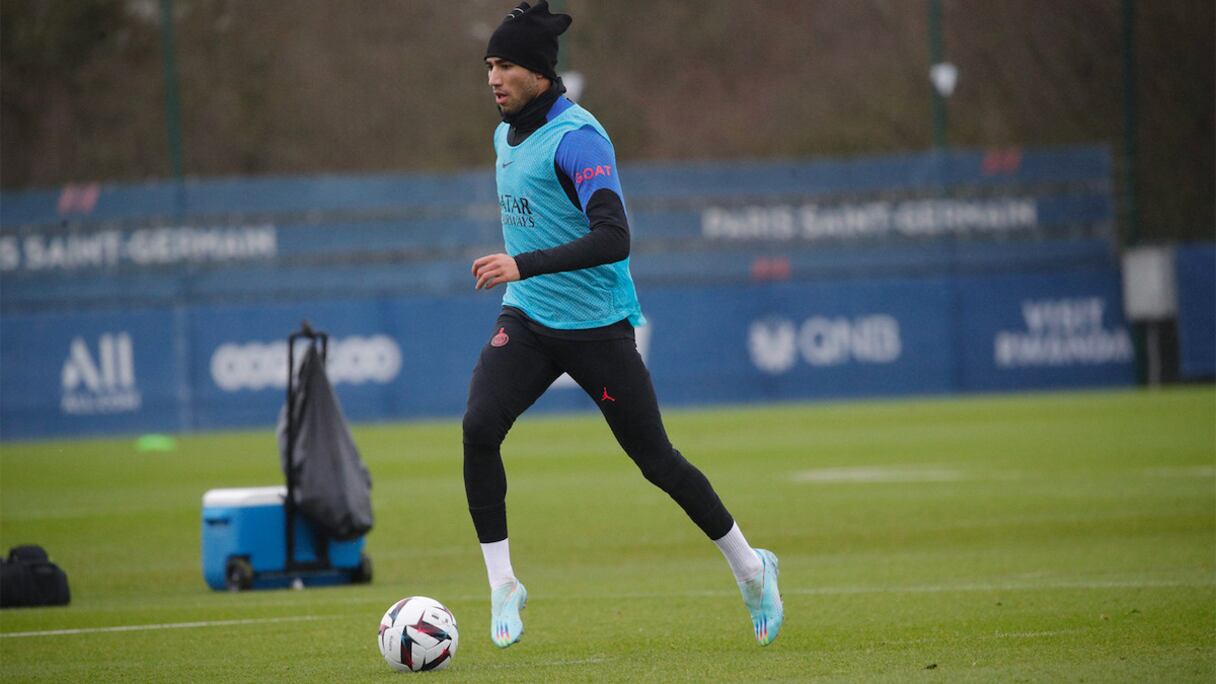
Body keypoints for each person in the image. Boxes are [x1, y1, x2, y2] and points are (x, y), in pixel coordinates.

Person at [464, 0, 783, 649]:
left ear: (539, 72)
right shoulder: (504, 136)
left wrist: (522, 264)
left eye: (506, 66)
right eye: (489, 65)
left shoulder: (578, 139)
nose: (494, 78)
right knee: (478, 428)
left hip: (597, 328)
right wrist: (525, 280)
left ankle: (751, 568)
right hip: (528, 318)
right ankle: (504, 584)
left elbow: (614, 237)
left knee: (657, 462)